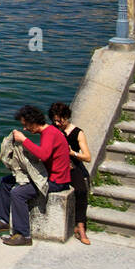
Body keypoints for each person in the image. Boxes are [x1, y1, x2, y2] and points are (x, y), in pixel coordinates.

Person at [0, 105, 71, 246]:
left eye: (26, 125)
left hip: (56, 181)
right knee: (6, 182)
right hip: (47, 175)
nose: (25, 129)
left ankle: (24, 235)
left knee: (18, 193)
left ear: (33, 122)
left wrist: (24, 140)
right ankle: (4, 221)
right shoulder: (48, 132)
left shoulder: (49, 133)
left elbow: (43, 155)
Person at [49, 101, 92, 245]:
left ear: (66, 117)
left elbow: (87, 157)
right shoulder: (53, 130)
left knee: (81, 190)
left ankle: (81, 227)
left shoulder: (77, 133)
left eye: (59, 120)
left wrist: (72, 152)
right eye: (54, 120)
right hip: (56, 166)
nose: (56, 123)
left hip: (73, 166)